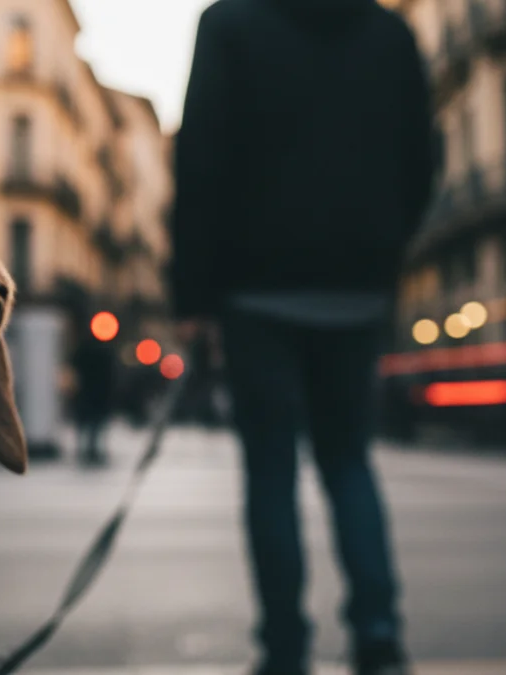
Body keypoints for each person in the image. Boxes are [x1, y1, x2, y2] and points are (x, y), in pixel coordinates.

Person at [170, 1, 434, 674]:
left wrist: (194, 296)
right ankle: (378, 633)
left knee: (270, 473)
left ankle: (285, 647)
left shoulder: (229, 25)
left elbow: (200, 158)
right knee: (350, 463)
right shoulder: (390, 33)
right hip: (356, 288)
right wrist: (381, 247)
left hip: (256, 289)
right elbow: (421, 155)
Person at [71, 320, 118, 467]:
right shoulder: (106, 350)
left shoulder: (84, 349)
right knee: (96, 425)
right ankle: (92, 450)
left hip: (88, 393)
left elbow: (75, 366)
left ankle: (87, 450)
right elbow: (112, 374)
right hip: (99, 394)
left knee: (88, 424)